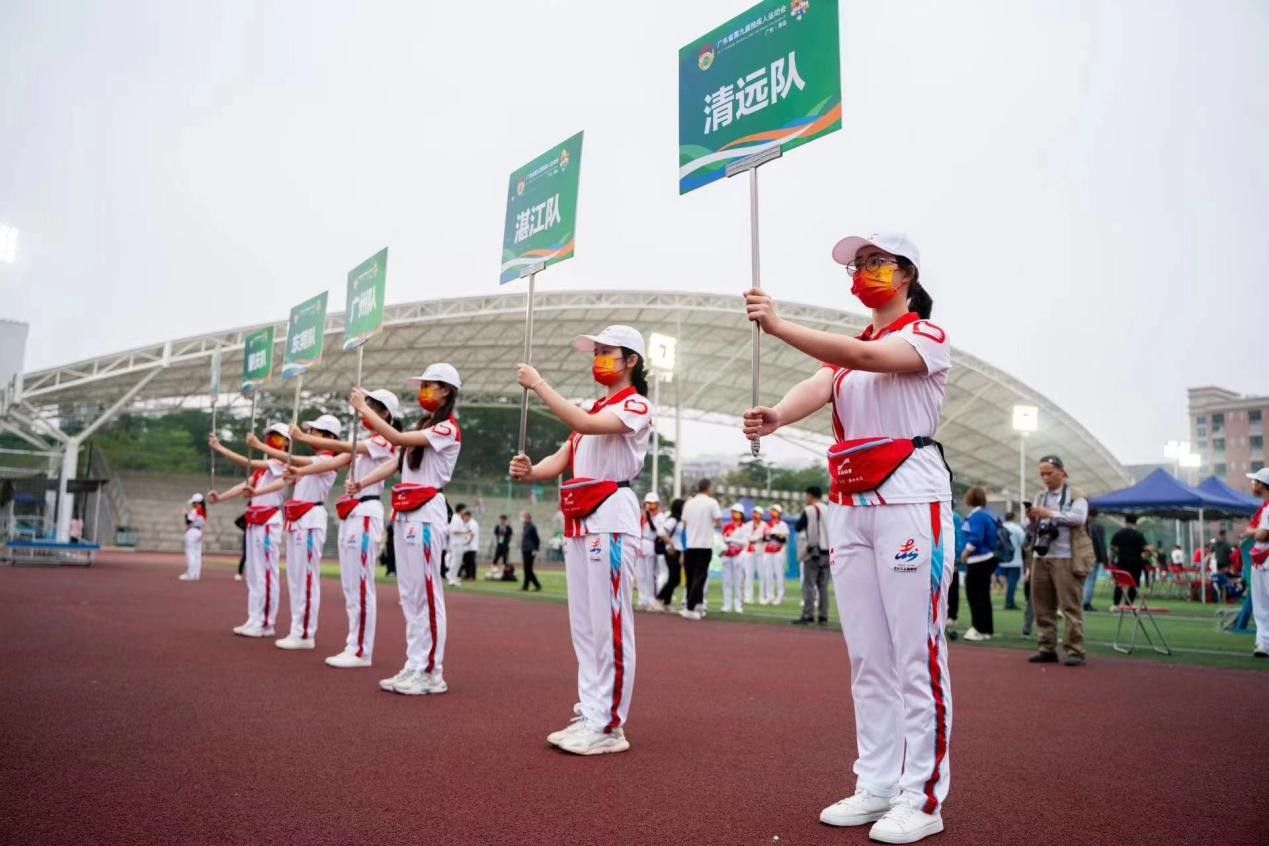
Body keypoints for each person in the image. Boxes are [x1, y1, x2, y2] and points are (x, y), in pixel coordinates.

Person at [743, 231, 952, 842]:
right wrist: (778, 415)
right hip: (851, 501)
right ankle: (879, 782)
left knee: (917, 651)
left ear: (906, 273)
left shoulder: (925, 336)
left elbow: (867, 363)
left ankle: (924, 796)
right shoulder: (851, 346)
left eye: (873, 263)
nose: (862, 273)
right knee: (867, 655)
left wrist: (779, 326)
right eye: (856, 266)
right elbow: (820, 384)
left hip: (911, 499)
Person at [509, 323, 652, 755]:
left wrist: (540, 385)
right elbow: (566, 453)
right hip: (579, 516)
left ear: (632, 361)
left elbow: (584, 424)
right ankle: (592, 711)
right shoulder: (595, 405)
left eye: (609, 352)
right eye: (596, 352)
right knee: (585, 628)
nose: (599, 359)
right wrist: (532, 471)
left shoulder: (636, 405)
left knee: (609, 625)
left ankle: (609, 725)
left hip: (610, 514)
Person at [349, 364, 463, 695]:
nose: (423, 391)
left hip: (427, 513)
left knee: (427, 594)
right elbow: (396, 461)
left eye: (429, 385)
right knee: (410, 595)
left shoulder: (447, 429)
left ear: (446, 391)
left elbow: (395, 438)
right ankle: (414, 664)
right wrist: (362, 482)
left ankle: (431, 671)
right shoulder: (425, 425)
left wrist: (363, 410)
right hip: (405, 511)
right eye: (422, 385)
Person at [288, 389, 401, 669]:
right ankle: (354, 644)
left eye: (373, 405)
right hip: (352, 512)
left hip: (365, 512)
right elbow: (337, 459)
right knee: (350, 585)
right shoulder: (363, 443)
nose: (365, 409)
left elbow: (345, 450)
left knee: (361, 584)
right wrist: (298, 469)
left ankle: (361, 649)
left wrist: (303, 437)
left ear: (385, 413)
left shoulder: (383, 441)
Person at [252, 413, 341, 651]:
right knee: (295, 578)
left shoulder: (326, 460)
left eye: (315, 432)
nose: (310, 436)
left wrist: (260, 446)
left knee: (306, 579)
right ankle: (297, 628)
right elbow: (292, 469)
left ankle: (304, 633)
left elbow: (295, 460)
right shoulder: (313, 461)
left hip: (311, 520)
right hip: (297, 520)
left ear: (331, 437)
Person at [208, 423, 291, 638]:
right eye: (270, 436)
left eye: (278, 437)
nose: (273, 440)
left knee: (266, 573)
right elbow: (245, 487)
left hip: (268, 520)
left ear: (288, 442)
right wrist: (220, 498)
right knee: (253, 574)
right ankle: (254, 617)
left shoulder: (283, 462)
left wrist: (221, 448)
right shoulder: (263, 469)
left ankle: (265, 622)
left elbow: (246, 462)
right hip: (255, 520)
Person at [1026, 455, 1094, 666]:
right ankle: (1046, 647)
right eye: (1042, 474)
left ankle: (1075, 650)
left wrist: (1050, 514)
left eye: (1049, 473)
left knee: (1070, 606)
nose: (1045, 478)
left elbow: (1078, 519)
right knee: (1042, 605)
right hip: (1041, 554)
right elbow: (1033, 525)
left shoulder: (1077, 495)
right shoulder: (1039, 496)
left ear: (1062, 472)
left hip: (1067, 556)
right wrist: (1033, 518)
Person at [680, 478, 722, 620]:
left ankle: (696, 605)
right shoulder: (712, 502)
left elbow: (684, 525)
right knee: (700, 577)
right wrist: (709, 526)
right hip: (704, 545)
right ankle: (690, 608)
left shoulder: (689, 503)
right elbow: (718, 522)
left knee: (691, 577)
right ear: (708, 488)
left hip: (690, 544)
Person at [959, 487, 997, 641]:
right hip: (985, 559)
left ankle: (978, 629)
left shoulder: (978, 516)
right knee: (983, 596)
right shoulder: (987, 515)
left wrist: (965, 552)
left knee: (975, 596)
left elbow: (976, 537)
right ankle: (986, 629)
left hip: (978, 559)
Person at [1242, 467, 1269, 657]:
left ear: (1262, 484)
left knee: (1263, 606)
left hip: (1266, 561)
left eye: (1255, 482)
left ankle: (1264, 643)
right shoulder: (1264, 507)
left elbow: (1263, 534)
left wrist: (1250, 532)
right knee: (1261, 607)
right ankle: (1263, 643)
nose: (1252, 485)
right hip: (1261, 561)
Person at [793, 486, 829, 625]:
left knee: (809, 585)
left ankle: (808, 615)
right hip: (828, 552)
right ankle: (823, 616)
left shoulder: (810, 510)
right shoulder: (829, 509)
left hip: (814, 551)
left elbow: (798, 526)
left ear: (810, 495)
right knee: (823, 586)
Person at [1109, 515, 1149, 607]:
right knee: (1134, 584)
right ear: (1135, 523)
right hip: (1136, 563)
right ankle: (1128, 605)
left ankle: (1116, 604)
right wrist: (1145, 557)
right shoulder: (1139, 535)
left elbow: (1112, 549)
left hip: (1122, 562)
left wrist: (1112, 561)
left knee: (1119, 583)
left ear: (1125, 522)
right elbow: (1145, 549)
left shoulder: (1118, 534)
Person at [655, 498, 686, 610]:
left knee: (674, 578)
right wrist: (671, 543)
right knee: (674, 578)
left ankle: (666, 603)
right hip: (671, 551)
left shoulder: (682, 520)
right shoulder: (673, 520)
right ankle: (659, 598)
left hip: (678, 551)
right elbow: (661, 532)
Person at [720, 504, 750, 614]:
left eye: (737, 512)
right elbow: (722, 540)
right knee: (727, 582)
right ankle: (727, 605)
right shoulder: (727, 526)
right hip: (727, 556)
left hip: (739, 556)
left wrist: (731, 539)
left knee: (738, 582)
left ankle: (738, 605)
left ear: (741, 514)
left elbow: (745, 542)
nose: (734, 514)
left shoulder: (745, 527)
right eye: (733, 512)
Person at [636, 492, 663, 610]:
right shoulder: (642, 517)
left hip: (651, 544)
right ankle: (642, 599)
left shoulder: (659, 517)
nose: (650, 507)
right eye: (648, 504)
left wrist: (649, 516)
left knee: (650, 574)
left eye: (653, 505)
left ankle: (651, 599)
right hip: (640, 544)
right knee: (640, 574)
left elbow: (655, 530)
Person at [761, 504, 789, 605]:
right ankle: (770, 595)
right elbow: (764, 538)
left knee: (779, 574)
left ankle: (780, 596)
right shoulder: (767, 525)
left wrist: (774, 535)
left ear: (780, 513)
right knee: (768, 574)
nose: (772, 513)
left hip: (779, 551)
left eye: (775, 511)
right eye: (771, 511)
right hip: (768, 551)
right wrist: (770, 536)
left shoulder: (783, 525)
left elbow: (784, 539)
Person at [1083, 508, 1108, 611]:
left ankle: (1077, 601)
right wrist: (1104, 559)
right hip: (1094, 556)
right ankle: (1086, 603)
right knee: (1090, 580)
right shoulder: (1098, 526)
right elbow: (1100, 543)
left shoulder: (1080, 524)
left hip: (1080, 556)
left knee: (1081, 580)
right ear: (1096, 515)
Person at [999, 512, 1026, 610]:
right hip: (1015, 559)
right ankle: (1009, 602)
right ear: (1014, 517)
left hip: (1001, 559)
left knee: (1003, 579)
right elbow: (1024, 542)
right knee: (1012, 582)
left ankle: (1006, 599)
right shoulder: (1017, 528)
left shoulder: (1000, 527)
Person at [180, 493, 207, 581]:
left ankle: (190, 574)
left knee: (190, 553)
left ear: (196, 502)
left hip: (192, 531)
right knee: (197, 554)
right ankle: (196, 574)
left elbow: (188, 522)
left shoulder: (195, 511)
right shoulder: (204, 511)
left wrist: (185, 514)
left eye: (194, 502)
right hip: (199, 532)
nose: (192, 504)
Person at [446, 503, 467, 587]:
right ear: (461, 510)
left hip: (459, 542)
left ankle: (453, 576)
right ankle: (451, 577)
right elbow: (453, 530)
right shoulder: (455, 518)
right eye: (464, 510)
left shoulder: (459, 518)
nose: (465, 512)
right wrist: (465, 532)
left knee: (458, 561)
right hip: (455, 543)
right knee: (455, 560)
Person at [520, 511, 541, 591]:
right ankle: (526, 586)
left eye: (525, 517)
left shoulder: (532, 527)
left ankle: (536, 585)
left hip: (530, 550)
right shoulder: (525, 526)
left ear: (528, 518)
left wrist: (536, 549)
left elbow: (536, 539)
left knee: (528, 569)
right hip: (525, 549)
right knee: (526, 569)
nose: (523, 519)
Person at [459, 508, 480, 581]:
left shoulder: (473, 523)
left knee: (471, 562)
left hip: (472, 546)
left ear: (468, 516)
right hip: (467, 547)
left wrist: (466, 542)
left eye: (464, 516)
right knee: (466, 562)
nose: (464, 518)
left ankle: (472, 576)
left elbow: (472, 534)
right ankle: (467, 575)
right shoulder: (467, 523)